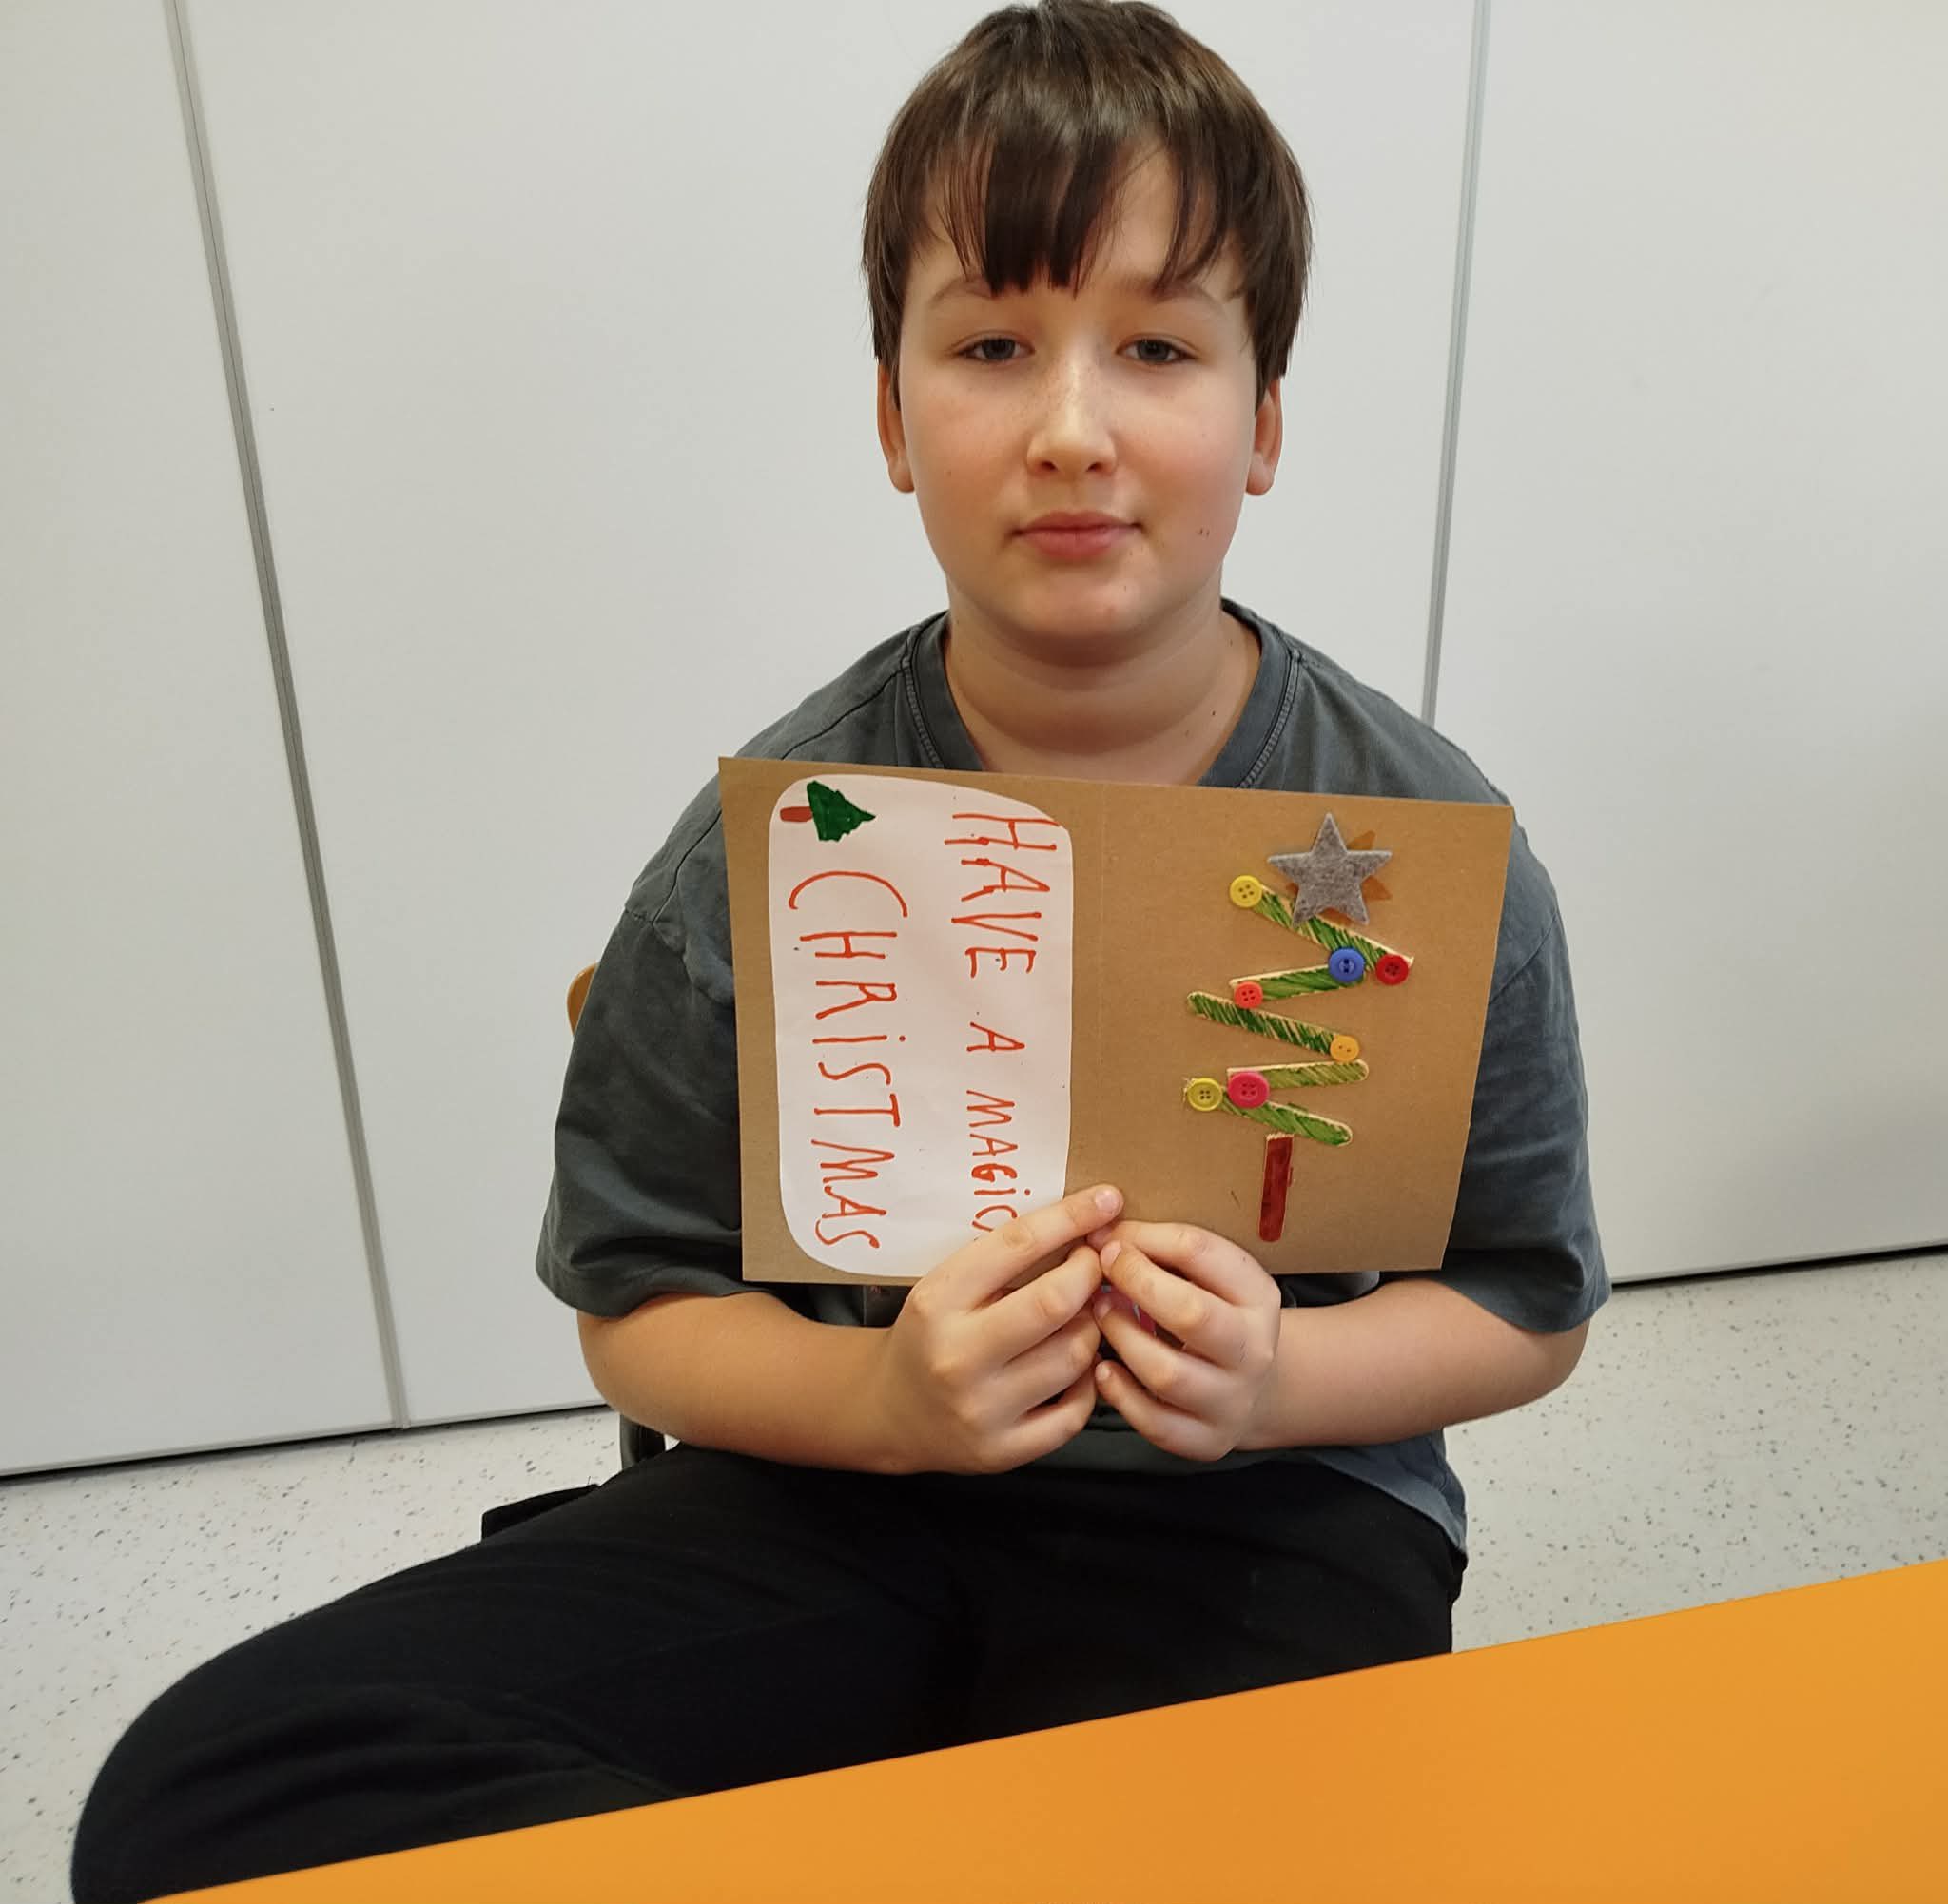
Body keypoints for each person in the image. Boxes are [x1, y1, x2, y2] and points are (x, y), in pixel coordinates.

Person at [70, 4, 1607, 1897]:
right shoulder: (779, 836)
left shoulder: (1427, 844)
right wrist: (886, 1403)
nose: (1070, 429)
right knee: (215, 1789)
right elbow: (636, 1300)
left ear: (1263, 420)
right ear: (891, 417)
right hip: (841, 1491)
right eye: (990, 345)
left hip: (1267, 1516)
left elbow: (1526, 1298)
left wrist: (1276, 1380)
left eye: (1156, 346)